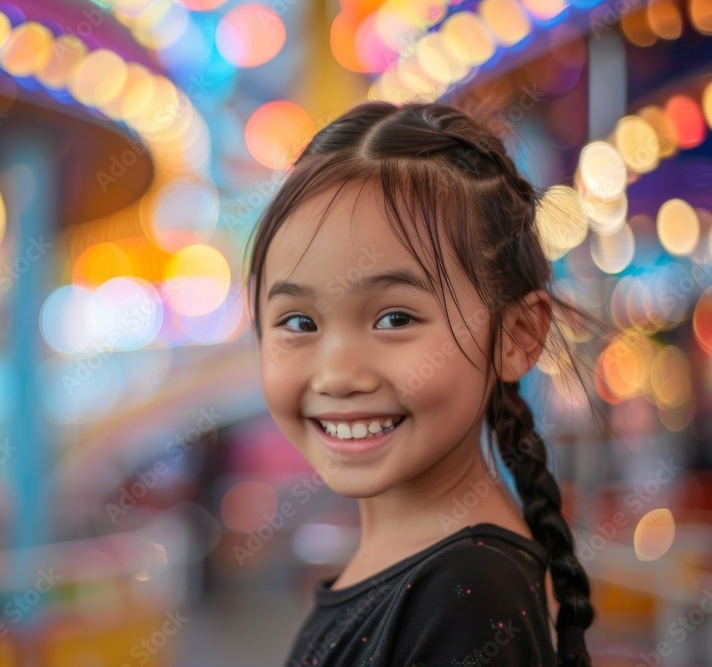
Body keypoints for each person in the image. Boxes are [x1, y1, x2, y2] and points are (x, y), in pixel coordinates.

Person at [243, 100, 600, 666]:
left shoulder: (467, 599)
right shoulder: (430, 577)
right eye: (299, 322)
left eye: (395, 319)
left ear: (517, 335)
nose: (338, 374)